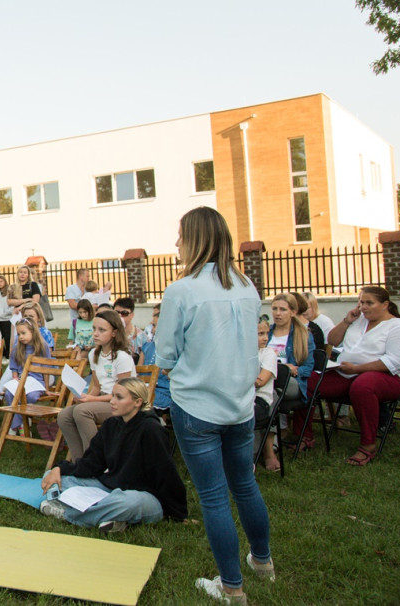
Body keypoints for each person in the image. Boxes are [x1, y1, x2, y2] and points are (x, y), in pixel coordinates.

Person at [155, 207, 273, 604]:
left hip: (198, 406)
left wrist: (178, 371)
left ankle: (231, 586)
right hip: (240, 404)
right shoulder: (246, 285)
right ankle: (262, 561)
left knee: (214, 497)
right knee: (244, 484)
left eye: (180, 235)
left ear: (196, 238)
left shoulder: (182, 289)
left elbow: (165, 355)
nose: (176, 243)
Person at [40, 378, 188, 532]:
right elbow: (92, 463)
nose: (112, 401)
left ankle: (68, 513)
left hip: (143, 497)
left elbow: (165, 473)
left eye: (119, 397)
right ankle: (113, 519)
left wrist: (178, 514)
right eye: (112, 396)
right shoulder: (111, 425)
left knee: (129, 503)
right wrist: (59, 469)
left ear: (137, 402)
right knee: (53, 476)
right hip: (109, 489)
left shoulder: (152, 429)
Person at [300, 286, 400, 466]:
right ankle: (304, 435)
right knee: (308, 382)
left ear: (385, 305)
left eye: (369, 303)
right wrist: (347, 321)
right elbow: (332, 341)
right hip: (346, 372)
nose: (363, 307)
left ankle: (368, 445)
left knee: (363, 386)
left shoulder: (397, 327)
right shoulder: (358, 321)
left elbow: (394, 362)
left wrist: (358, 369)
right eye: (361, 302)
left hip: (385, 376)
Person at [57, 310, 134, 461]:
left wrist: (91, 400)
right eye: (94, 329)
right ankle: (79, 461)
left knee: (82, 412)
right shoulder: (94, 354)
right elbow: (97, 387)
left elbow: (122, 394)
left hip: (122, 403)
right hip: (104, 400)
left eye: (101, 330)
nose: (95, 334)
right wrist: (86, 396)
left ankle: (95, 460)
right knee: (64, 415)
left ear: (114, 333)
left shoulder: (122, 357)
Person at [267, 294, 315, 435]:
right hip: (267, 378)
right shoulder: (266, 332)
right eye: (274, 309)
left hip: (291, 382)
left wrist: (290, 370)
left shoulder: (303, 335)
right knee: (267, 389)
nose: (277, 313)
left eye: (283, 309)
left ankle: (273, 437)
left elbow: (308, 368)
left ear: (293, 312)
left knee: (270, 388)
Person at [1, 318, 51, 434]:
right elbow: (14, 369)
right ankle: (21, 423)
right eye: (18, 334)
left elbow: (46, 370)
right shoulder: (17, 349)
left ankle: (16, 423)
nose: (21, 337)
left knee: (31, 397)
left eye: (23, 333)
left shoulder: (42, 347)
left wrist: (46, 388)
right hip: (20, 381)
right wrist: (15, 380)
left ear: (33, 332)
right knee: (9, 394)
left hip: (36, 382)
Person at [253, 321, 280, 472]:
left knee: (238, 416)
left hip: (260, 402)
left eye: (267, 333)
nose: (265, 338)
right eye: (260, 334)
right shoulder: (238, 352)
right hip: (241, 398)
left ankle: (245, 459)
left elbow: (260, 381)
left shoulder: (268, 354)